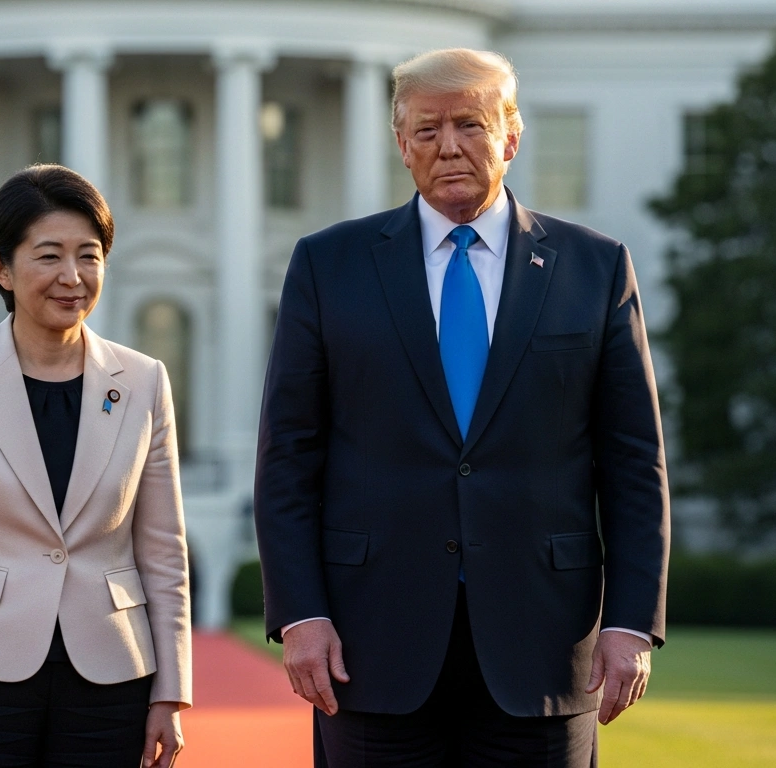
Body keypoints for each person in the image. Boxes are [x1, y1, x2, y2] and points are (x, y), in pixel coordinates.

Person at [255, 48, 669, 766]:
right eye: (427, 129)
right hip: (369, 644)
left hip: (543, 645)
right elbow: (289, 455)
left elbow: (634, 463)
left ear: (511, 137)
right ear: (400, 145)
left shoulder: (594, 268)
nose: (449, 146)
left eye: (471, 125)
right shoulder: (328, 266)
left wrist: (631, 623)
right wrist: (301, 613)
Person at [0, 164, 191, 768]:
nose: (72, 277)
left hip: (112, 673)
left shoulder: (144, 381)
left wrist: (171, 693)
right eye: (49, 256)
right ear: (0, 266)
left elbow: (163, 550)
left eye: (89, 255)